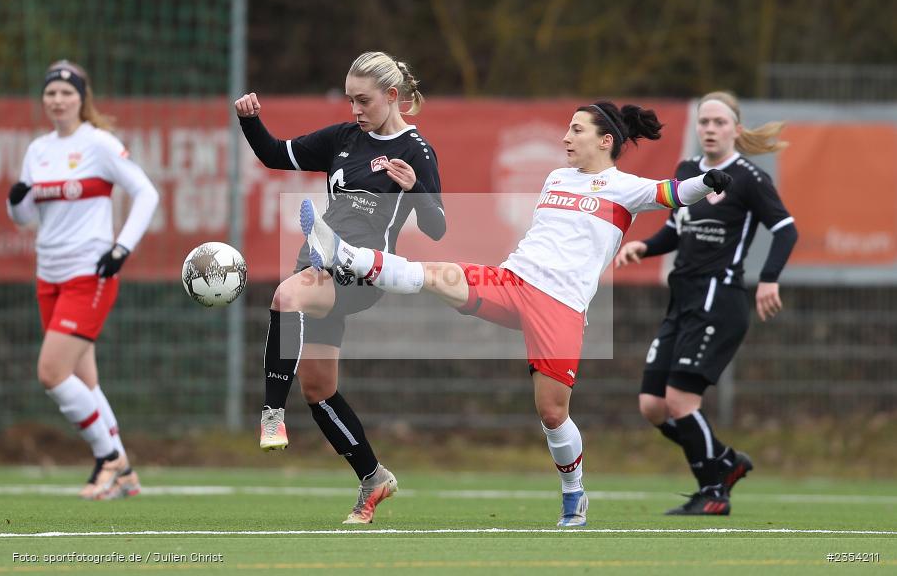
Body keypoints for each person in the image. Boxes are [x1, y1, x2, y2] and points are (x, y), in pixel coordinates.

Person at [301, 100, 732, 527]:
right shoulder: (556, 178)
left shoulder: (625, 188)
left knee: (552, 413)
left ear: (605, 141)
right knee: (437, 276)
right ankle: (348, 255)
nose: (566, 137)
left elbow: (673, 193)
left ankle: (574, 493)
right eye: (568, 128)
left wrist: (707, 182)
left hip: (560, 307)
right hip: (513, 282)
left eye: (577, 130)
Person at [234, 51, 445, 524]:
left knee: (286, 295)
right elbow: (274, 154)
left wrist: (416, 189)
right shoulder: (343, 139)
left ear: (391, 96)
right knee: (318, 389)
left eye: (363, 100)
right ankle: (373, 478)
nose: (355, 110)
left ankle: (271, 414)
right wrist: (250, 121)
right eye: (350, 100)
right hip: (317, 263)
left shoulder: (417, 150)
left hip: (362, 273)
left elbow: (437, 228)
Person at [614, 91, 798, 516]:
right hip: (683, 299)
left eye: (719, 122)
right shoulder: (687, 171)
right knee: (653, 406)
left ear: (736, 129)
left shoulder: (749, 177)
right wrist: (645, 246)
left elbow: (786, 230)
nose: (710, 129)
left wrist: (769, 279)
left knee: (681, 401)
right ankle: (726, 461)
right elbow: (676, 229)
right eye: (704, 122)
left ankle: (714, 491)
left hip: (720, 299)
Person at [6, 60, 159, 500]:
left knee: (51, 372)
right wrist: (16, 203)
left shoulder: (99, 143)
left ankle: (107, 458)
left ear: (81, 98)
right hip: (48, 274)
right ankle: (126, 475)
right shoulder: (38, 150)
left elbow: (146, 192)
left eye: (66, 92)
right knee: (83, 381)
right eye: (50, 93)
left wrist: (121, 248)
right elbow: (24, 217)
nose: (57, 100)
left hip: (88, 273)